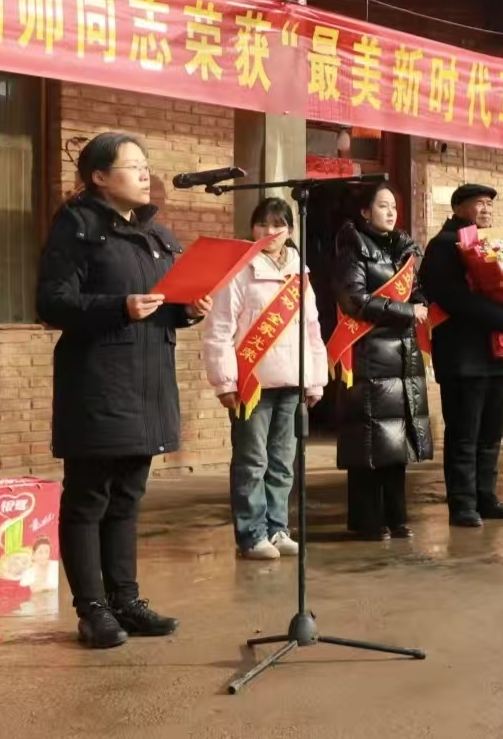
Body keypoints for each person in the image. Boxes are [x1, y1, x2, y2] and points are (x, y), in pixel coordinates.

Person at [37, 132, 212, 650]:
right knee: (90, 496)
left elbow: (166, 302)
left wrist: (188, 310)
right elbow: (52, 302)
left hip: (148, 379)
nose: (144, 175)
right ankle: (92, 609)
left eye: (146, 165)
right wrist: (117, 307)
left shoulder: (156, 234)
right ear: (98, 177)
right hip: (98, 381)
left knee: (129, 497)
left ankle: (127, 601)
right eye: (132, 166)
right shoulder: (78, 225)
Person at [203, 198, 327, 560]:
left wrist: (315, 379)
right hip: (252, 385)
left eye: (278, 225)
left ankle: (277, 529)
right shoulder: (239, 270)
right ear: (252, 228)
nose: (269, 233)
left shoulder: (299, 274)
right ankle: (251, 534)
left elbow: (311, 330)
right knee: (252, 461)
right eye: (262, 225)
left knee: (282, 461)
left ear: (290, 230)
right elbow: (220, 328)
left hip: (292, 381)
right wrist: (224, 381)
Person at [419, 183, 503, 527]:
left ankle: (487, 497)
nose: (485, 210)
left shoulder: (494, 247)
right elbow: (454, 298)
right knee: (464, 433)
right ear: (458, 208)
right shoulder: (444, 246)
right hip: (462, 355)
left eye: (488, 205)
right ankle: (462, 502)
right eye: (478, 204)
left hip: (495, 352)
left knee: (490, 432)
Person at [333, 183, 433, 540]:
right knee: (369, 442)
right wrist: (408, 311)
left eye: (393, 206)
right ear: (365, 211)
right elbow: (354, 299)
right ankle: (367, 519)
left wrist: (419, 304)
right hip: (369, 356)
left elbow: (417, 292)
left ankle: (397, 515)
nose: (390, 212)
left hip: (403, 356)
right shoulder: (352, 246)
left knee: (397, 441)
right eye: (382, 206)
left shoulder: (403, 247)